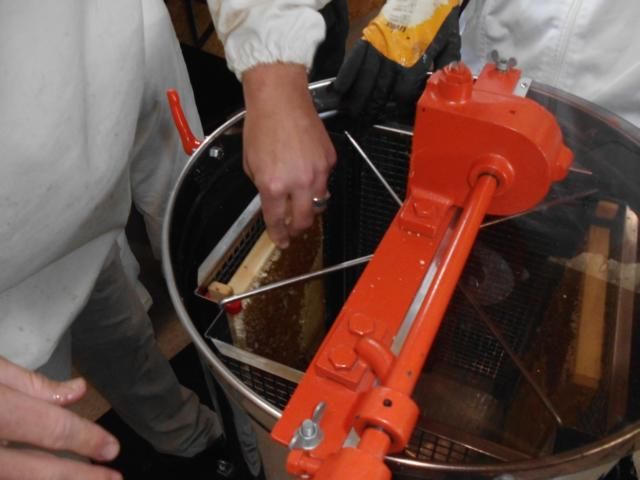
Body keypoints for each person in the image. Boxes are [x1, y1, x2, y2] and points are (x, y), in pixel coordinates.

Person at [0, 0, 338, 478]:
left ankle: (191, 436)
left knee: (123, 335)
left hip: (90, 185)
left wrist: (274, 70)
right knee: (49, 446)